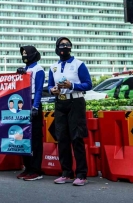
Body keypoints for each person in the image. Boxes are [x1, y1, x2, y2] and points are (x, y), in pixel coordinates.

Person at [48, 37, 92, 186]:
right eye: (62, 44)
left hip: (76, 102)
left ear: (71, 47)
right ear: (57, 48)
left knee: (77, 138)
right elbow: (49, 86)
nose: (65, 47)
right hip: (60, 102)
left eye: (67, 44)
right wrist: (52, 90)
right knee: (62, 139)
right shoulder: (53, 67)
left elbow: (88, 84)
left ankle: (81, 174)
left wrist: (71, 85)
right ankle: (66, 173)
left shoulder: (79, 64)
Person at [16, 46, 45, 181]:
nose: (25, 55)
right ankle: (27, 167)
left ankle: (36, 170)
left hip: (33, 102)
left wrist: (35, 106)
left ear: (34, 54)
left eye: (27, 53)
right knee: (23, 137)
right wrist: (18, 74)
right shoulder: (24, 69)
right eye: (23, 53)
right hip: (23, 102)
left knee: (35, 138)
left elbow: (39, 89)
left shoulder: (38, 69)